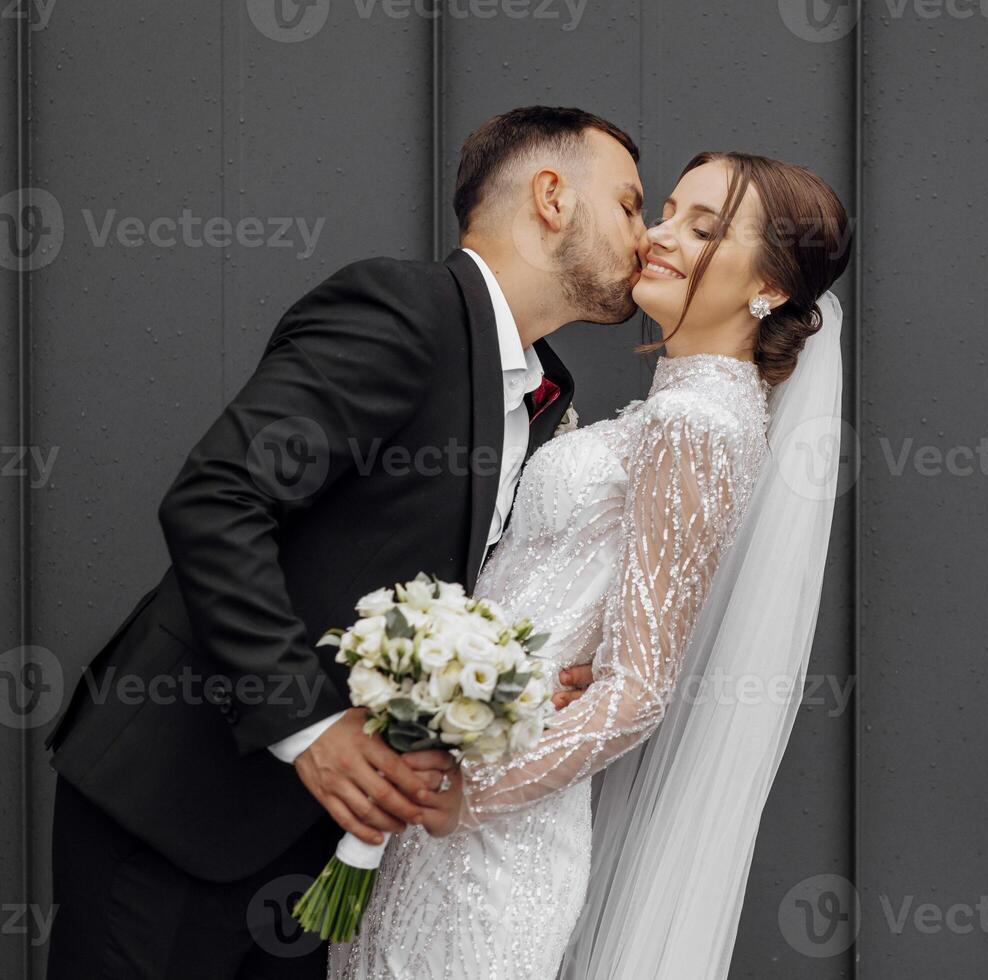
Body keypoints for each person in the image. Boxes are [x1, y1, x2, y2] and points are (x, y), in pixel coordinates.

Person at [42, 105, 645, 980]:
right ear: (552, 197)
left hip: (326, 845)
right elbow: (216, 497)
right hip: (183, 798)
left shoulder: (547, 395)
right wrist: (308, 725)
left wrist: (536, 676)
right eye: (629, 204)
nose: (647, 233)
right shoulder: (404, 310)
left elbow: (445, 582)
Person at [331, 150, 851, 979]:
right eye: (670, 211)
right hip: (459, 798)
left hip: (495, 837)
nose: (662, 235)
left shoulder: (698, 424)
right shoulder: (690, 409)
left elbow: (638, 690)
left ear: (771, 288)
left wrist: (465, 797)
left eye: (705, 228)